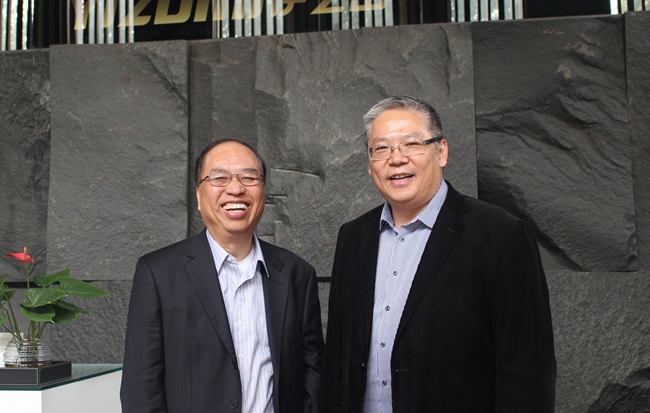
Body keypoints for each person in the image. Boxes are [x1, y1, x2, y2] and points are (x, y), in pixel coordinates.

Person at [321, 96, 556, 413]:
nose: (396, 159)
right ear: (369, 162)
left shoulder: (501, 235)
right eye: (381, 148)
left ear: (441, 151)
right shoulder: (353, 237)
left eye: (412, 144)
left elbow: (528, 372)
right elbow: (337, 358)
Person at [121, 139, 324, 413]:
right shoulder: (158, 274)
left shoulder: (296, 274)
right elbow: (140, 390)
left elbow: (312, 373)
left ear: (263, 190)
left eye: (249, 177)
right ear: (198, 195)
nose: (236, 188)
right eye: (219, 178)